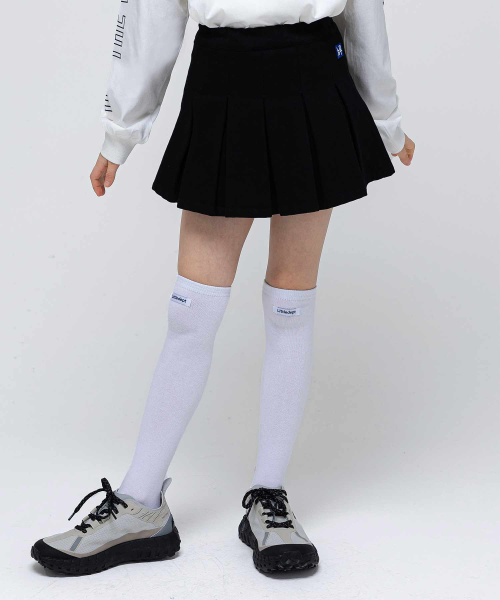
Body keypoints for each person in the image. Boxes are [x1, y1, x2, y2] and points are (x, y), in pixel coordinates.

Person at [31, 0, 415, 576]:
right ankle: (139, 504)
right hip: (224, 79)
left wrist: (386, 118)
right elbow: (152, 15)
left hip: (315, 74)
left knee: (290, 305)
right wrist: (120, 134)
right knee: (193, 311)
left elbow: (364, 15)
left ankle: (269, 499)